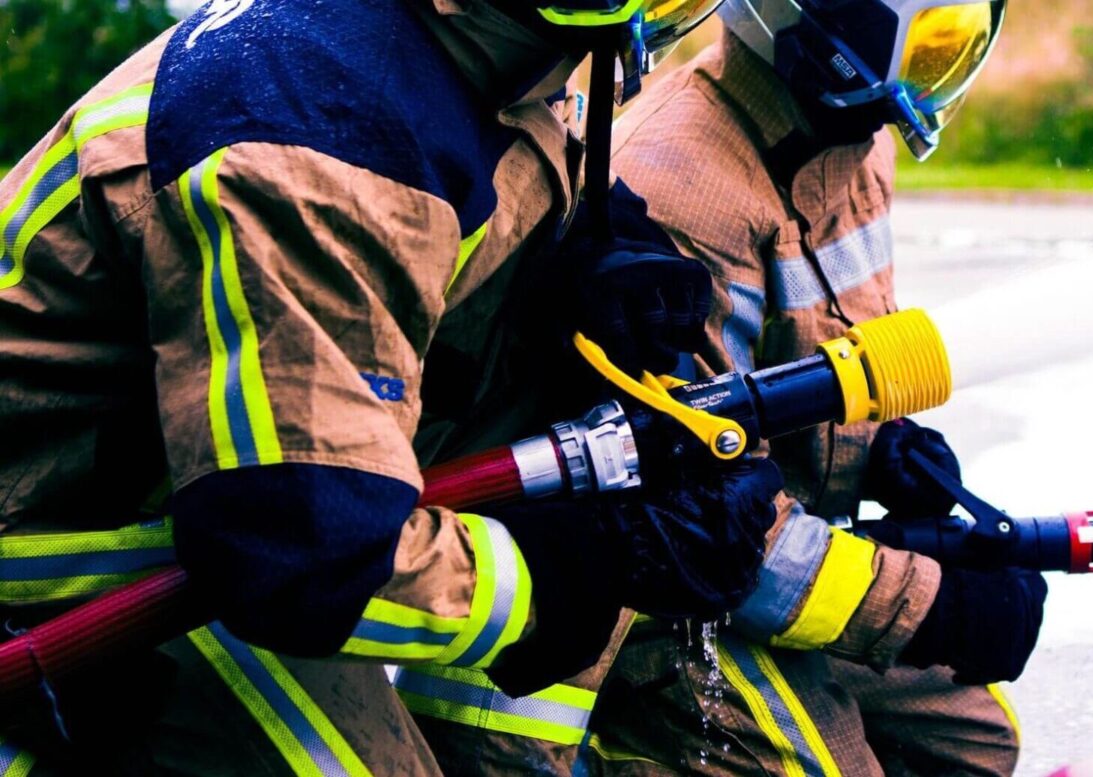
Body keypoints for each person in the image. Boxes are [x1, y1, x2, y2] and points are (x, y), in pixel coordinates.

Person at [0, 0, 780, 773]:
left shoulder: (466, 48)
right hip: (62, 539)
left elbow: (471, 183)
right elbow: (303, 549)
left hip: (180, 490)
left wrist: (579, 259)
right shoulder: (319, 128)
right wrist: (569, 572)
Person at [412, 1, 1047, 774]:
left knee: (979, 739)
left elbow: (823, 354)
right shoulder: (682, 184)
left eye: (955, 47)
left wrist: (878, 449)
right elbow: (709, 517)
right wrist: (925, 607)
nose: (934, 80)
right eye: (925, 48)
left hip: (773, 549)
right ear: (823, 35)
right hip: (667, 604)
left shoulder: (855, 145)